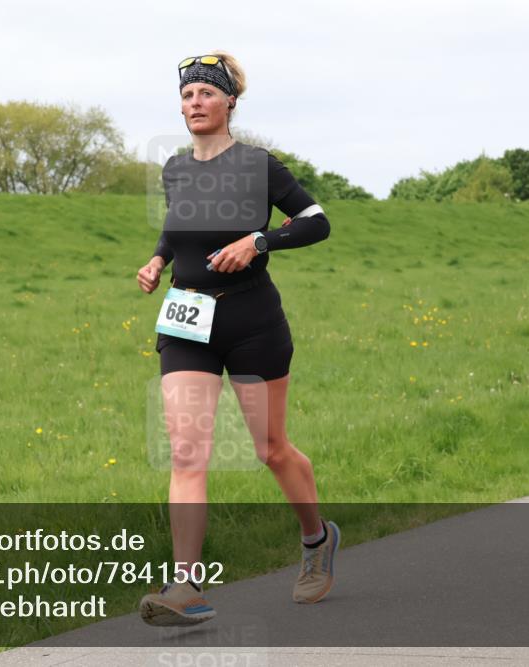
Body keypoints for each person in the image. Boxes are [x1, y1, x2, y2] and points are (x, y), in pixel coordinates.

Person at [136, 52, 340, 627]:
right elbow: (179, 225)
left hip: (251, 323)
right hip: (186, 324)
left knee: (270, 449)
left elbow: (316, 220)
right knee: (186, 450)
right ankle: (185, 587)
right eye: (186, 95)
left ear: (229, 102)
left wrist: (260, 240)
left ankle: (316, 539)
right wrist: (156, 259)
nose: (193, 103)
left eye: (205, 93)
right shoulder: (175, 167)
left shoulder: (258, 165)